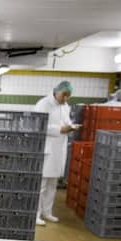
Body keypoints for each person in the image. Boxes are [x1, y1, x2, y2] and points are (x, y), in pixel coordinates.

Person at [33, 80, 78, 226]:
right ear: (56, 92)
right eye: (64, 95)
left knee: (53, 184)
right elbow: (37, 125)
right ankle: (36, 214)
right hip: (47, 149)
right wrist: (60, 129)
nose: (65, 98)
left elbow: (65, 122)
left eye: (68, 96)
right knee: (41, 184)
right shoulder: (44, 104)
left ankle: (47, 212)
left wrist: (70, 127)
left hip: (59, 150)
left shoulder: (65, 106)